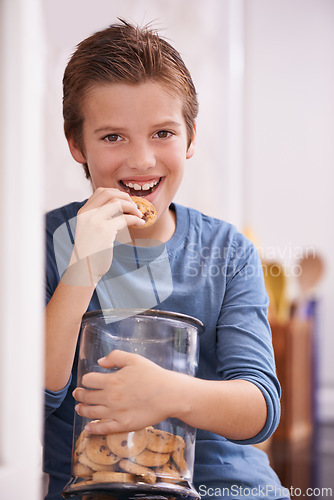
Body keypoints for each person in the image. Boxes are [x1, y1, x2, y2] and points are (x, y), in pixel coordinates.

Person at [44, 19, 290, 500]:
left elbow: (261, 409)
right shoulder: (43, 244)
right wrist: (83, 268)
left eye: (162, 133)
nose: (141, 160)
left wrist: (167, 393)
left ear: (191, 137)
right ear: (77, 145)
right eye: (113, 137)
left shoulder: (228, 252)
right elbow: (33, 398)